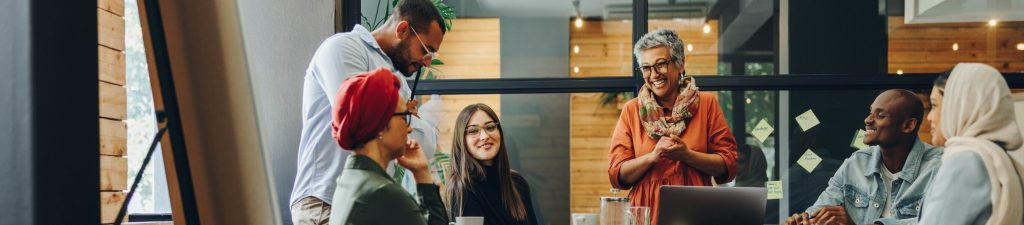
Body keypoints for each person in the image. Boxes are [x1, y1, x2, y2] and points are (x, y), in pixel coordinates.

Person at [289, 0, 447, 224]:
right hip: (325, 201)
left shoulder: (398, 79)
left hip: (371, 202)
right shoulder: (344, 48)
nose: (428, 62)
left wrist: (399, 114)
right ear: (402, 30)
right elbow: (360, 115)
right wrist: (406, 113)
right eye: (425, 50)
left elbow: (426, 144)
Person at [606, 29, 738, 225]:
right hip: (645, 216)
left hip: (698, 213)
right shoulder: (631, 110)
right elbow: (616, 175)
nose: (654, 75)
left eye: (660, 64)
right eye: (646, 68)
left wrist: (687, 155)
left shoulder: (707, 104)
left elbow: (729, 165)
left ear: (680, 64)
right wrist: (652, 157)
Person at [784, 89, 942, 225]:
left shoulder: (939, 166)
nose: (867, 120)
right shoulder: (856, 162)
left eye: (880, 115)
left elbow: (941, 221)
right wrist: (806, 219)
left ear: (908, 125)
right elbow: (823, 207)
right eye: (870, 112)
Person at [326, 68, 447, 225]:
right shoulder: (382, 193)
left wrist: (421, 172)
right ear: (380, 126)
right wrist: (424, 176)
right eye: (405, 117)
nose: (409, 128)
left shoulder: (350, 179)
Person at [918, 63, 1024, 225]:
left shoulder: (965, 162)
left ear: (959, 106)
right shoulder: (1003, 162)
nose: (929, 117)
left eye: (934, 106)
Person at [442, 103, 539, 225]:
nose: (484, 136)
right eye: (473, 131)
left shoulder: (517, 182)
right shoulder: (462, 189)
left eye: (490, 127)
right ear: (462, 140)